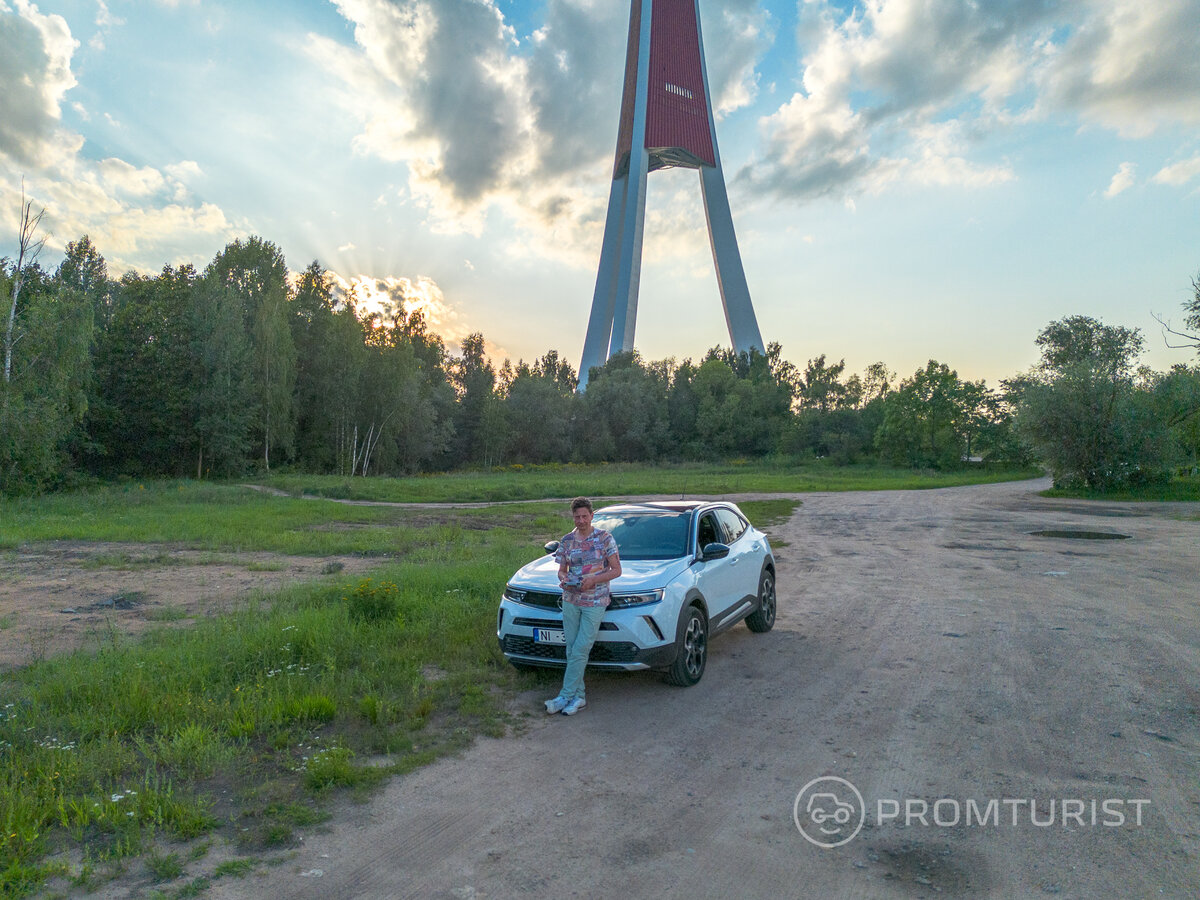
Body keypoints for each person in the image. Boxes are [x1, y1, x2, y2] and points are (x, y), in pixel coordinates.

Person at [545, 497, 621, 716]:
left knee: (581, 647)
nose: (581, 520)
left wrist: (593, 580)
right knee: (571, 648)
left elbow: (616, 570)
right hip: (571, 598)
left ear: (591, 515)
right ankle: (579, 697)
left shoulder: (604, 539)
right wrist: (564, 577)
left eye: (584, 516)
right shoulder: (567, 540)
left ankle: (564, 695)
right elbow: (561, 568)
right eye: (577, 517)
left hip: (595, 600)